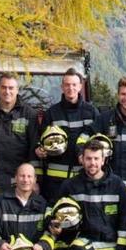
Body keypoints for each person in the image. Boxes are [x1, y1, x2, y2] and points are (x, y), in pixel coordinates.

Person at [57, 138, 126, 250]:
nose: (92, 163)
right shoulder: (70, 186)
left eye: (96, 159)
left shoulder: (117, 185)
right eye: (88, 158)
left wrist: (122, 248)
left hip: (110, 246)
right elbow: (55, 210)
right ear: (82, 160)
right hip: (83, 244)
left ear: (103, 160)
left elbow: (125, 218)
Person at [38, 68, 99, 202]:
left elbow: (98, 142)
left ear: (80, 86)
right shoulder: (51, 113)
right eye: (67, 85)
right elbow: (40, 141)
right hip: (55, 182)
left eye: (74, 85)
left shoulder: (92, 112)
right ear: (62, 87)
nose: (70, 88)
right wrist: (40, 150)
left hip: (84, 178)